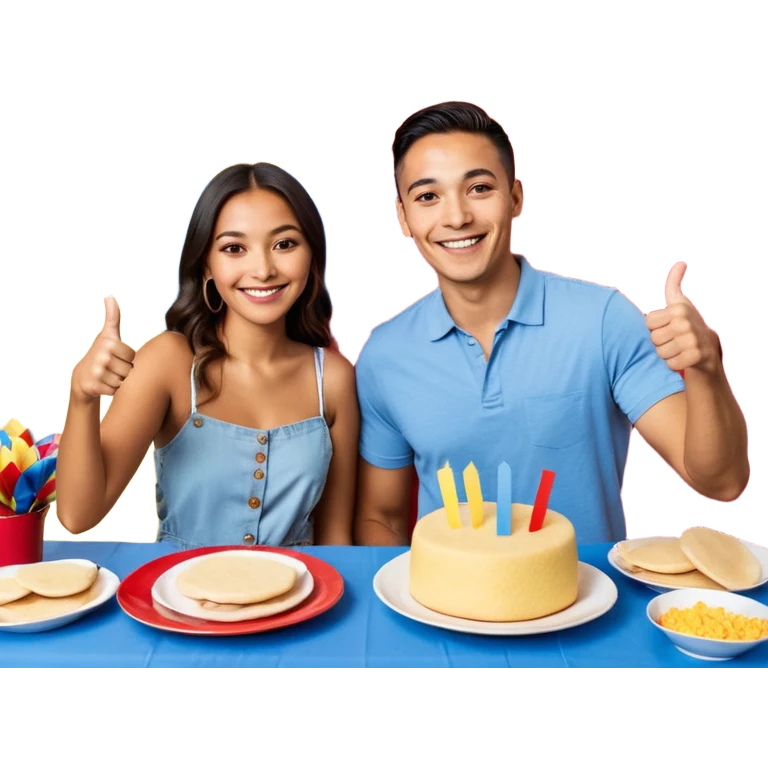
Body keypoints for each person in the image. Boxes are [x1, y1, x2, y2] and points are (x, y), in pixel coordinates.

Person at [354, 101, 750, 547]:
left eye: (479, 188)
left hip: (590, 605)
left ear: (516, 198)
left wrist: (705, 370)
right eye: (428, 196)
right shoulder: (384, 356)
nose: (456, 217)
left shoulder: (603, 320)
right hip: (448, 611)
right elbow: (381, 518)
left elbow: (721, 481)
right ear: (404, 218)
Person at [56, 160, 358, 548]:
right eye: (234, 248)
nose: (263, 269)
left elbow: (336, 539)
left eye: (284, 244)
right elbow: (78, 515)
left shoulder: (333, 377)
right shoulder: (169, 361)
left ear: (311, 256)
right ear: (207, 267)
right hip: (176, 601)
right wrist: (82, 396)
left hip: (300, 603)